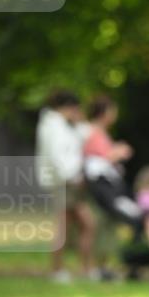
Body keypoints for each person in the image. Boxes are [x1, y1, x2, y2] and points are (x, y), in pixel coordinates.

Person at [35, 90, 96, 283]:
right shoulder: (52, 126)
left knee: (84, 224)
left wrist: (80, 121)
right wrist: (70, 176)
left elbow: (85, 136)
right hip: (63, 183)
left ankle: (83, 269)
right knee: (65, 227)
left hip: (70, 182)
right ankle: (58, 270)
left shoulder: (64, 125)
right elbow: (56, 156)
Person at [82, 95, 139, 279]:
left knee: (107, 226)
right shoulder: (91, 131)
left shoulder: (100, 132)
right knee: (96, 226)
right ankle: (91, 268)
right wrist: (118, 152)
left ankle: (103, 266)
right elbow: (98, 158)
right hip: (99, 187)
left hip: (107, 185)